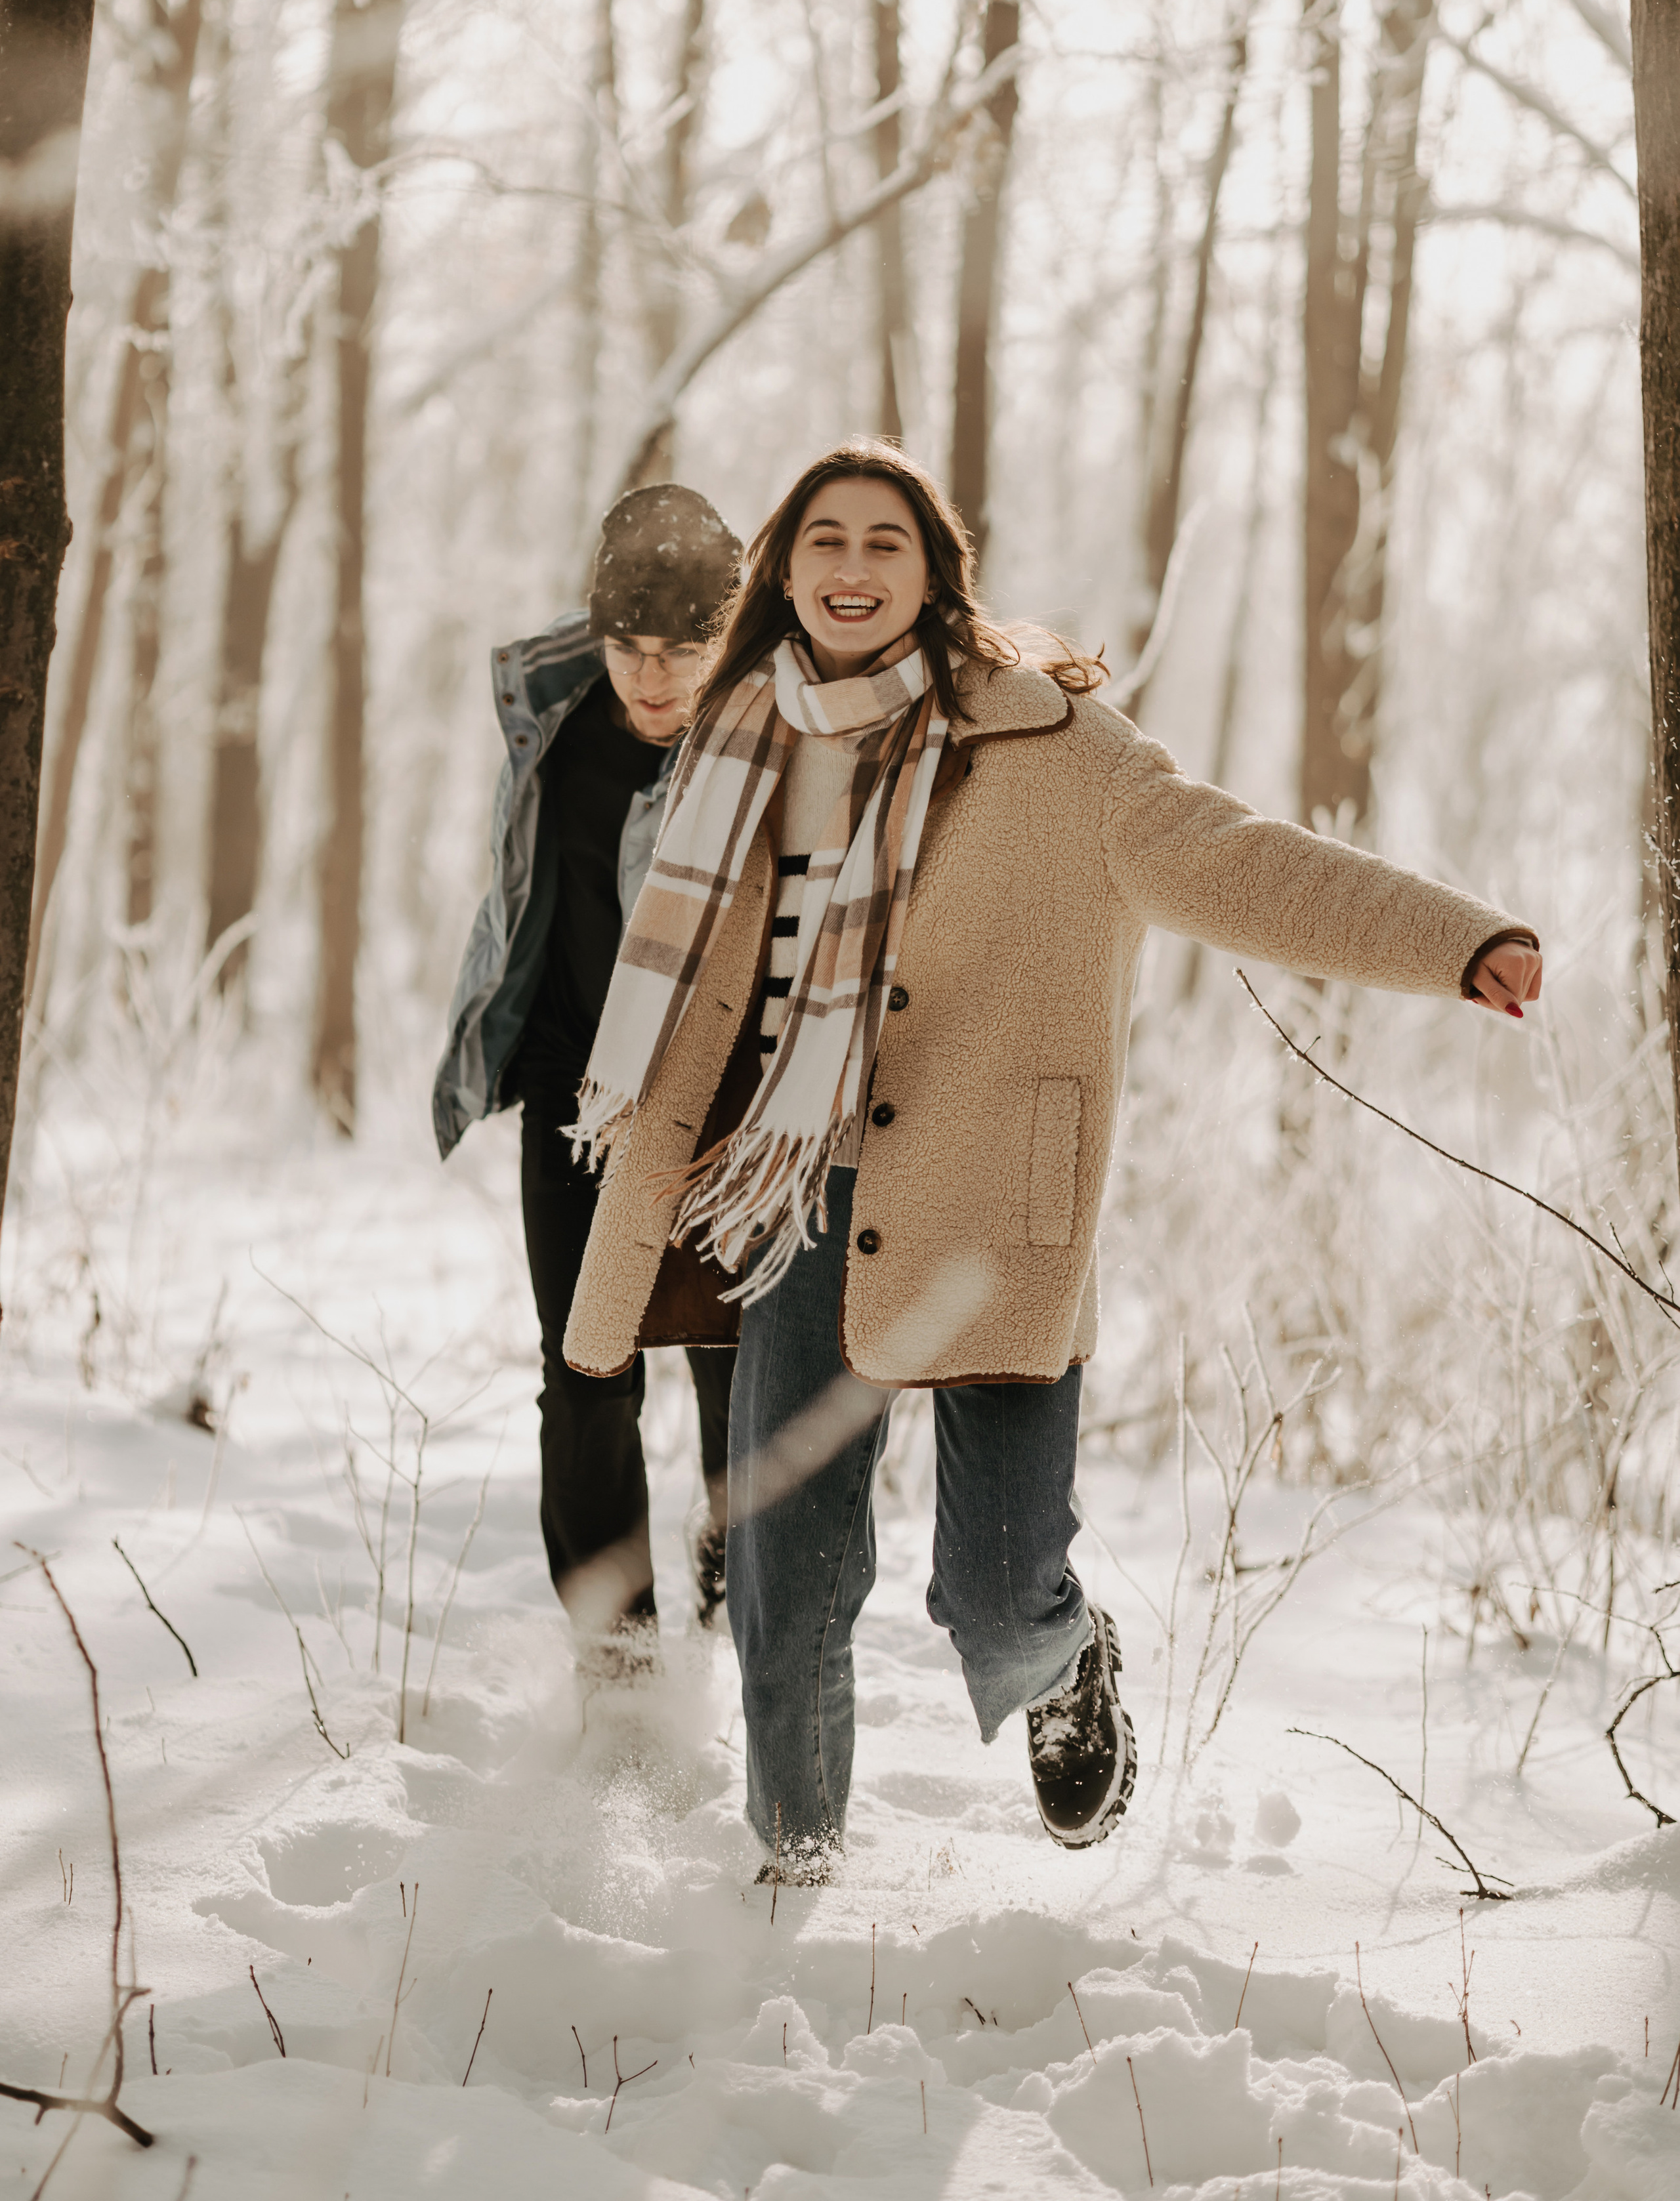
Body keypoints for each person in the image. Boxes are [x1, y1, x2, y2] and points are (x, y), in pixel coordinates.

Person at [560, 441, 1542, 1863]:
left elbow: (1243, 859)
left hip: (987, 1209)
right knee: (785, 1579)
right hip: (789, 1195)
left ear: (935, 573)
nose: (849, 568)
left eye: (883, 543)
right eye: (822, 540)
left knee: (1000, 1585)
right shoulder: (735, 743)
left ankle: (1063, 1661)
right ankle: (792, 1869)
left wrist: (1456, 943)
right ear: (782, 565)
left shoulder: (1053, 749)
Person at [434, 483, 744, 1665]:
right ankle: (615, 1662)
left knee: (734, 1376)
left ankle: (736, 1578)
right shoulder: (552, 714)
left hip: (719, 1101)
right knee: (584, 1374)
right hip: (569, 1090)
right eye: (630, 647)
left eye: (684, 651)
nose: (652, 677)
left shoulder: (760, 746)